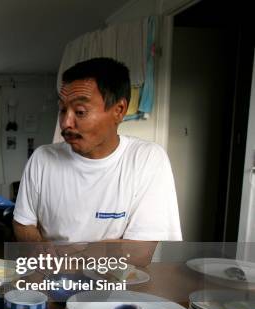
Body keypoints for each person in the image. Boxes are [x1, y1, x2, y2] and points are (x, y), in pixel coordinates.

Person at [13, 57, 181, 264]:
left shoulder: (147, 159)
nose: (66, 123)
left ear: (118, 110)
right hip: (53, 280)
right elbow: (23, 223)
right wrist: (40, 248)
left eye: (80, 112)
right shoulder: (42, 159)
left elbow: (140, 252)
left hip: (115, 286)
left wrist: (70, 256)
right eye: (62, 109)